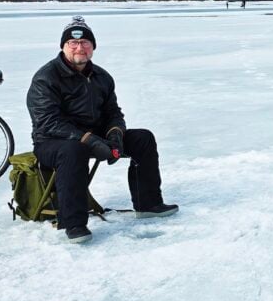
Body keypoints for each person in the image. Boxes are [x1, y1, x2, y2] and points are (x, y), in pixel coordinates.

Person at [27, 16, 178, 244]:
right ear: (63, 46)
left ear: (93, 47)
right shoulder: (46, 77)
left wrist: (115, 134)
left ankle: (148, 204)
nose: (80, 48)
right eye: (73, 43)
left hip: (95, 138)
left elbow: (113, 113)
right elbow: (47, 121)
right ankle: (74, 223)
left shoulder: (102, 77)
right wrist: (88, 140)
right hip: (52, 142)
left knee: (143, 138)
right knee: (73, 150)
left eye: (86, 43)